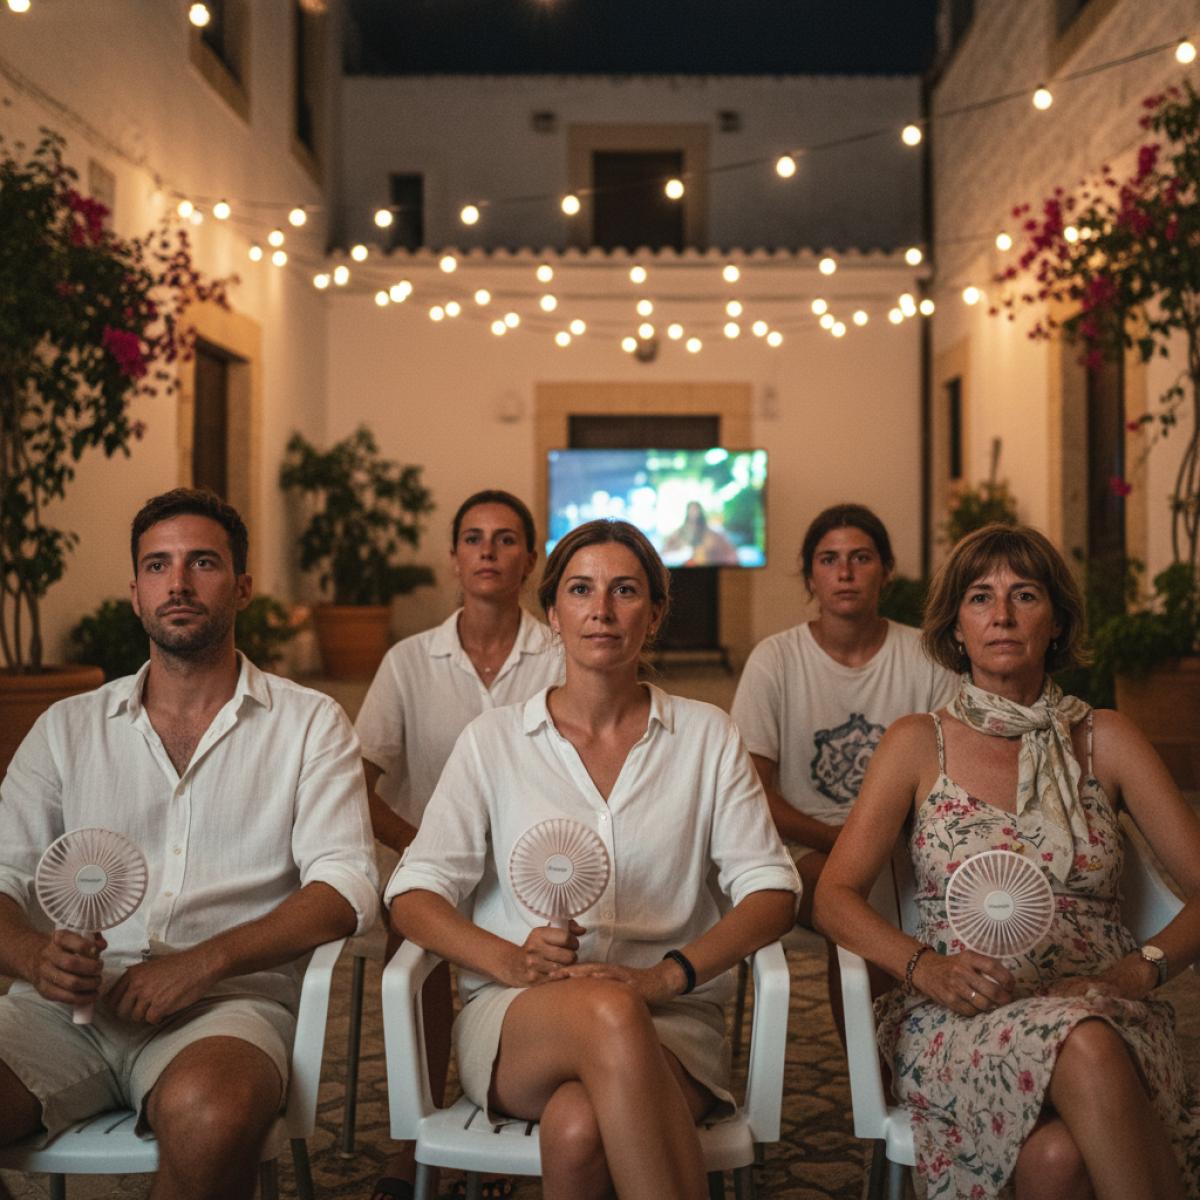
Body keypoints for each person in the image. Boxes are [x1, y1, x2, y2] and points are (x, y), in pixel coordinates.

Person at [386, 519, 800, 1200]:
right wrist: (508, 958)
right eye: (580, 590)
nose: (601, 610)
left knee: (577, 1127)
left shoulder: (706, 737)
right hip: (520, 1018)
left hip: (674, 1020)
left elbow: (773, 892)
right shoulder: (494, 742)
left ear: (656, 614)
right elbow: (412, 895)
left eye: (625, 590)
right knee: (608, 1010)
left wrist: (668, 977)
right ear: (552, 613)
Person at [0, 487, 378, 1200]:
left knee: (212, 1115)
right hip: (59, 1009)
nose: (177, 583)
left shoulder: (309, 724)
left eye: (201, 563)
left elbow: (346, 887)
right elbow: (2, 874)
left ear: (241, 587)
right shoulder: (66, 728)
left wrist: (206, 961)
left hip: (225, 1007)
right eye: (157, 566)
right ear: (135, 594)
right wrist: (33, 956)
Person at [814, 522, 1200, 1199]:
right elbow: (834, 896)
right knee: (1083, 1046)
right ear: (955, 628)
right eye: (979, 598)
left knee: (1057, 1159)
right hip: (958, 1018)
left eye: (1024, 595)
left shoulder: (1105, 738)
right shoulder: (916, 743)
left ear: (1056, 622)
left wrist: (1145, 968)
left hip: (1103, 1002)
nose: (1000, 615)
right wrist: (922, 968)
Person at [354, 489, 562, 1200]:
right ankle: (408, 1142)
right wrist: (427, 850)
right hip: (432, 870)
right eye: (473, 538)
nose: (488, 553)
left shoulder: (564, 654)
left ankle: (514, 1110)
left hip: (535, 873)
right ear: (453, 558)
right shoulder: (409, 661)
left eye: (506, 540)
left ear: (530, 562)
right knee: (409, 942)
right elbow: (358, 783)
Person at [731, 503, 956, 1033]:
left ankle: (949, 1050)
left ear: (886, 570)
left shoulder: (924, 655)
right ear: (810, 575)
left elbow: (954, 773)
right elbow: (753, 792)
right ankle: (876, 1082)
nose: (846, 571)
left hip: (908, 845)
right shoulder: (776, 659)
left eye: (861, 557)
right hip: (801, 850)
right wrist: (849, 842)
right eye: (829, 559)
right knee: (854, 901)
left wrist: (884, 843)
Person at [661, 499, 739, 566]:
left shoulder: (713, 535)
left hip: (709, 573)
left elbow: (732, 556)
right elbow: (664, 555)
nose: (694, 513)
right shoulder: (678, 534)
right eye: (691, 510)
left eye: (696, 510)